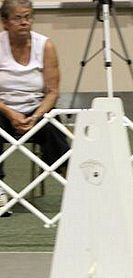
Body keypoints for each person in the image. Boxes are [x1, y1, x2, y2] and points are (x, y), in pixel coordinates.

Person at [0, 0, 69, 211]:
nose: (24, 23)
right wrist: (11, 113)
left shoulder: (45, 45)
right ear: (5, 22)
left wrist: (36, 116)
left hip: (36, 109)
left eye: (28, 17)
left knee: (53, 128)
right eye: (18, 18)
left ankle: (73, 185)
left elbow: (53, 92)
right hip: (3, 109)